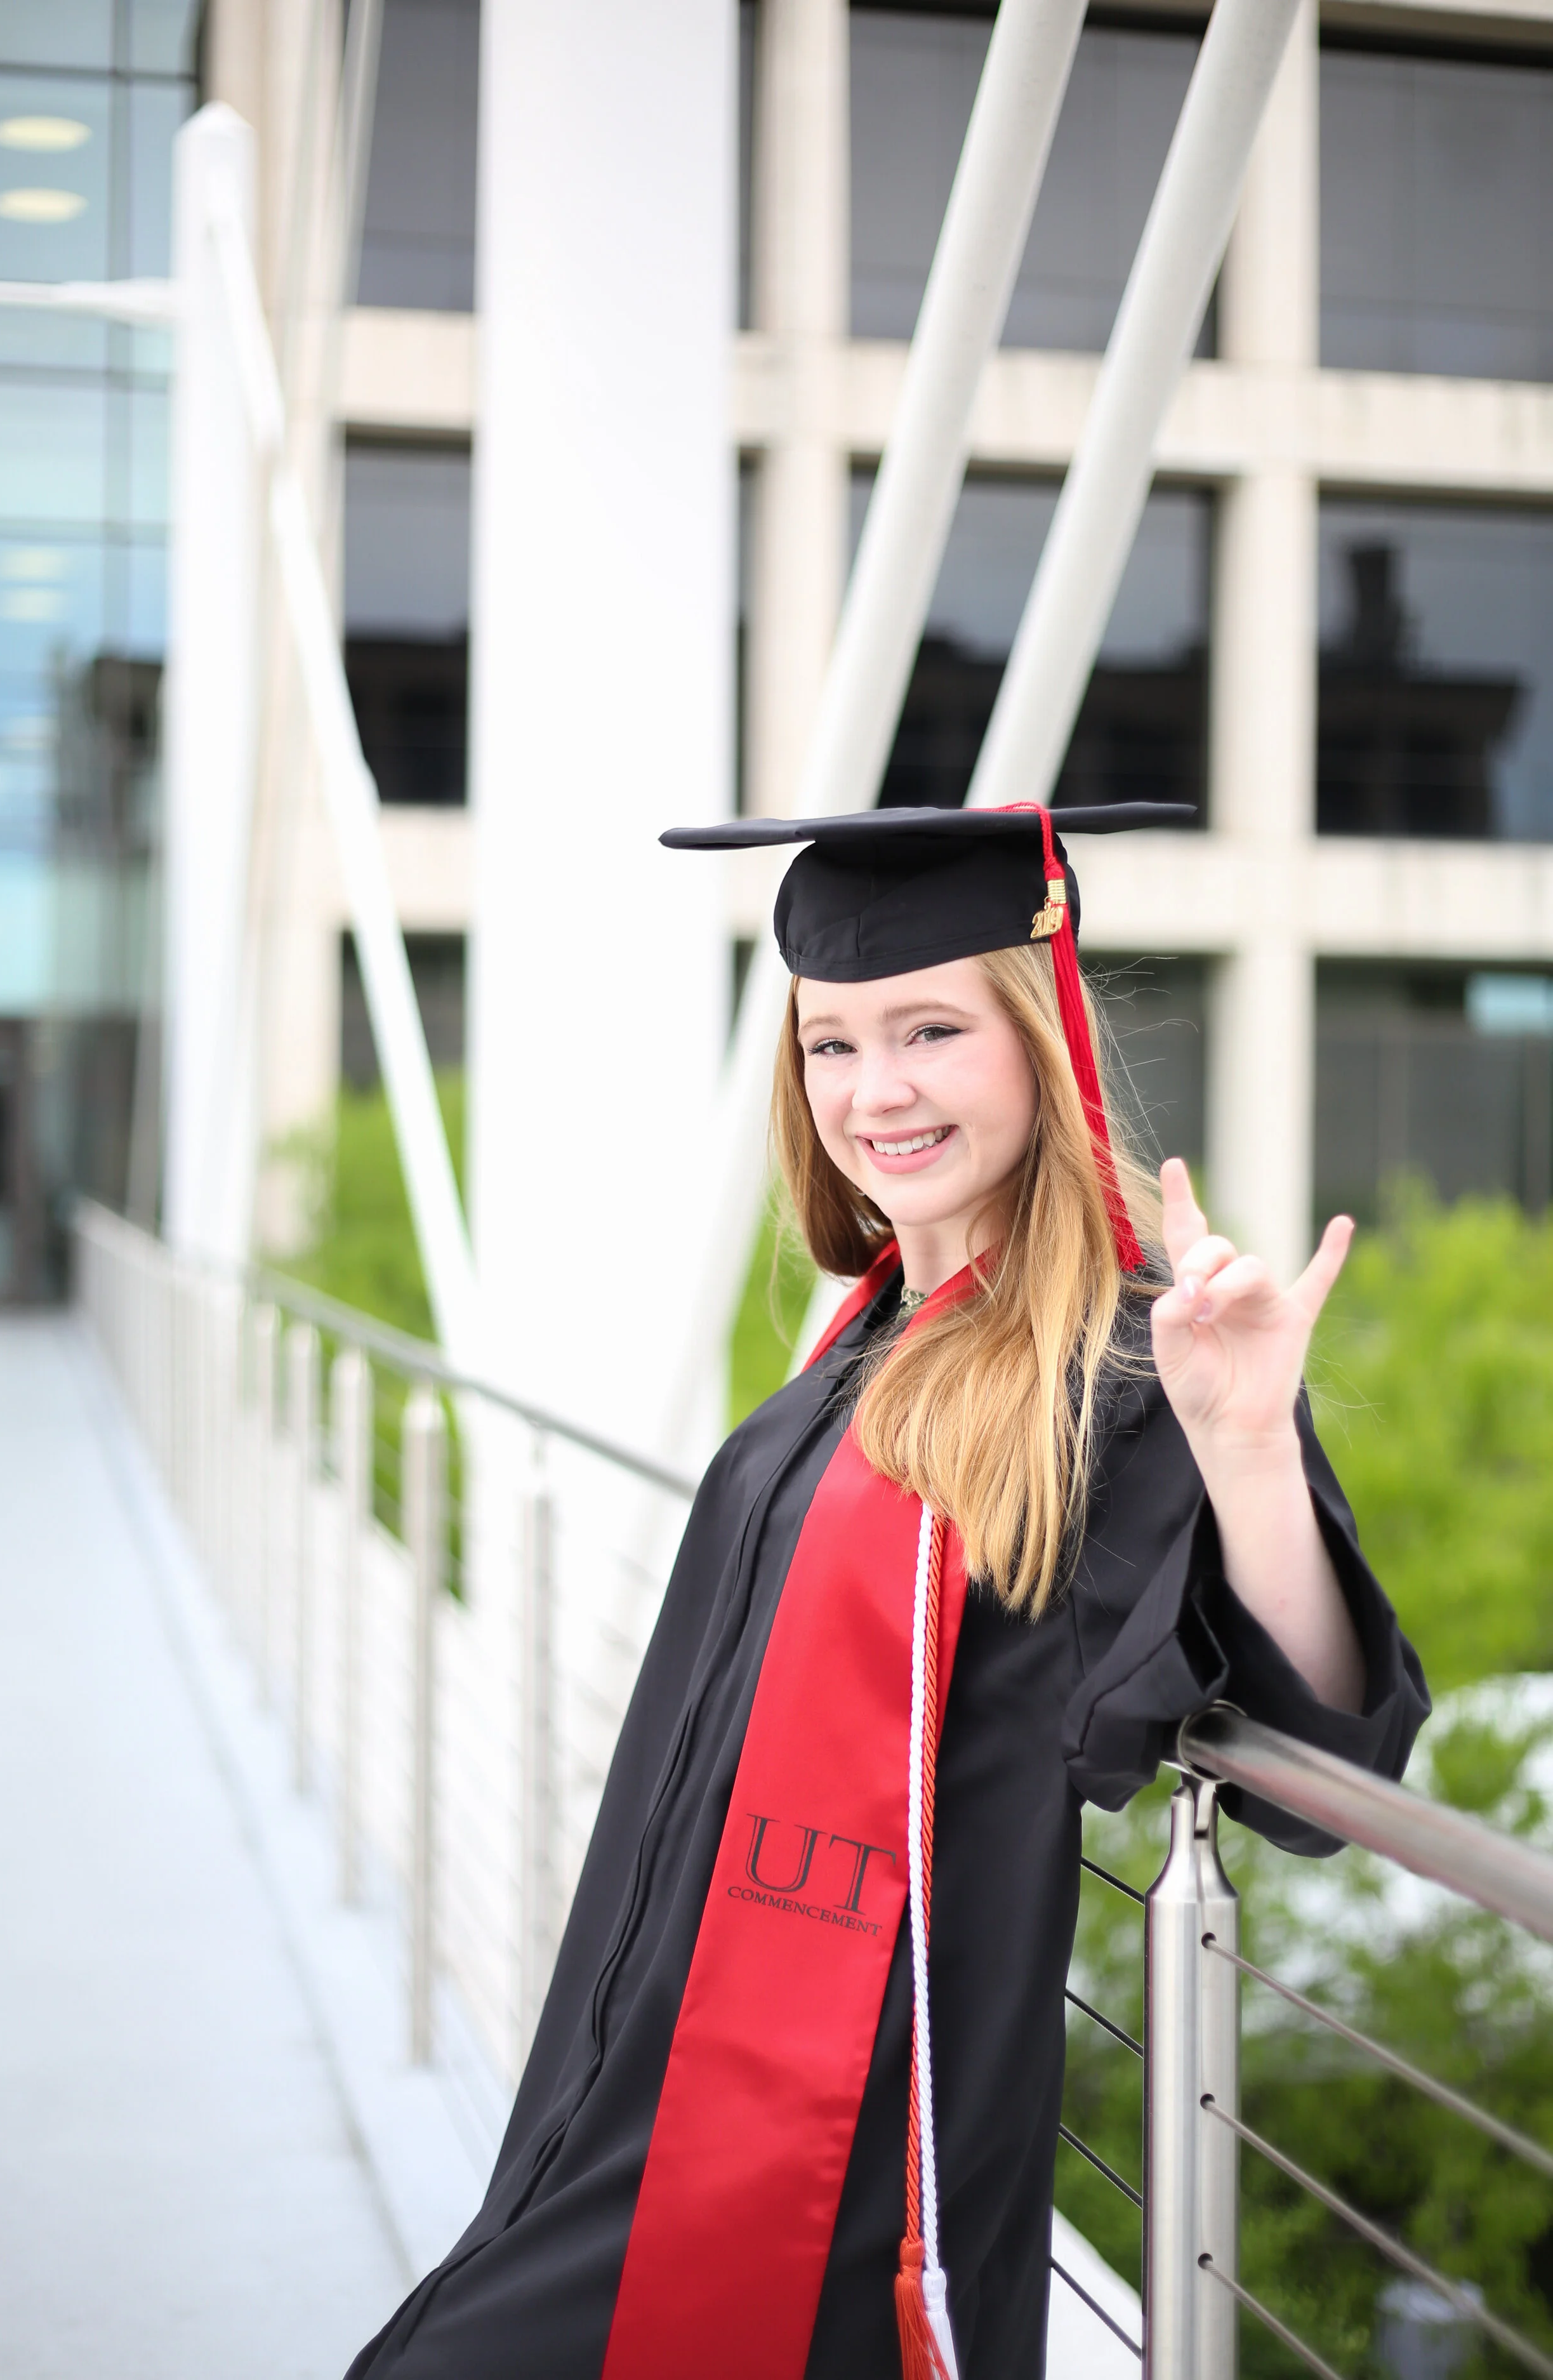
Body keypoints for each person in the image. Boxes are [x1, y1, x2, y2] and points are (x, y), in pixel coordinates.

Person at [345, 802, 1427, 2380]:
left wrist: (1252, 1446)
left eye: (930, 1031)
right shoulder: (869, 1332)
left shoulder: (1127, 1370)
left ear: (1039, 1044)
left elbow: (1321, 1765)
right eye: (829, 1044)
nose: (875, 1091)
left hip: (835, 2148)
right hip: (632, 2069)